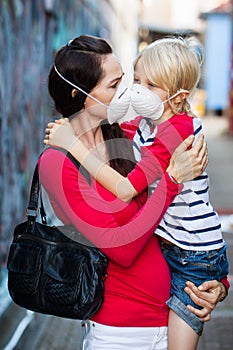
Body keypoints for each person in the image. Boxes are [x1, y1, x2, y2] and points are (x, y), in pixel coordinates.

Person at [42, 35, 229, 350]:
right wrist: (172, 180)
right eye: (115, 85)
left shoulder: (131, 137)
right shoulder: (57, 164)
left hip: (170, 316)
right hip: (120, 334)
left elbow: (186, 216)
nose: (129, 93)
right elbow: (122, 248)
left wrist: (216, 283)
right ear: (79, 94)